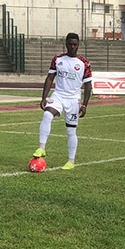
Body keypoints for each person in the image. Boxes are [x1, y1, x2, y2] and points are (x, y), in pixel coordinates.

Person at [32, 32, 92, 171]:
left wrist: (84, 105)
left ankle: (71, 161)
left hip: (73, 100)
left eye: (75, 45)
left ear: (78, 45)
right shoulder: (58, 59)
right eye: (70, 44)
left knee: (70, 131)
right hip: (58, 95)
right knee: (47, 115)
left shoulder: (84, 63)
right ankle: (41, 148)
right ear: (66, 44)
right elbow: (49, 78)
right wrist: (44, 97)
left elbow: (88, 85)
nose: (73, 47)